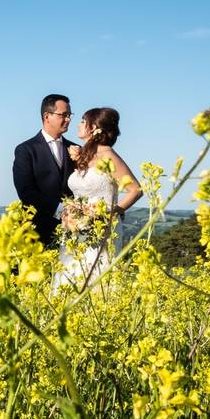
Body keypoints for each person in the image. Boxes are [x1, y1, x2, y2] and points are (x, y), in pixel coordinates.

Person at [53, 107, 142, 290]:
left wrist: (111, 213)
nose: (78, 124)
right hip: (74, 231)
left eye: (83, 121)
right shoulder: (86, 155)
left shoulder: (107, 155)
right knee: (72, 276)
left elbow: (135, 190)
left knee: (96, 281)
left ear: (93, 128)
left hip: (101, 232)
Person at [12, 94, 77, 246]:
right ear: (47, 116)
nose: (68, 119)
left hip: (72, 236)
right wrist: (62, 211)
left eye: (70, 115)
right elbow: (26, 191)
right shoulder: (25, 150)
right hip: (37, 233)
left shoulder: (75, 149)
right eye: (64, 115)